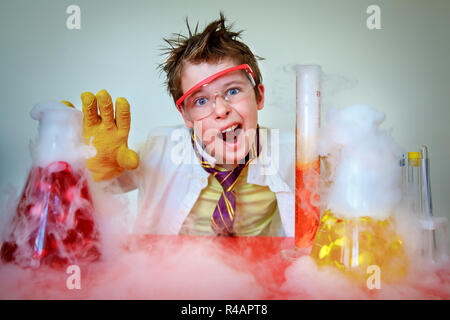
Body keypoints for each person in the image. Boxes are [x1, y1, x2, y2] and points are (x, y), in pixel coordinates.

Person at [64, 13, 295, 237]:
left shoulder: (292, 152)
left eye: (233, 90)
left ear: (259, 96)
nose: (221, 109)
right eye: (201, 100)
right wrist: (90, 164)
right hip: (172, 270)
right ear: (186, 117)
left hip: (257, 269)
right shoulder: (159, 149)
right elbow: (100, 190)